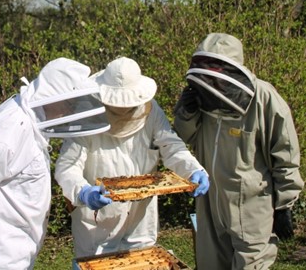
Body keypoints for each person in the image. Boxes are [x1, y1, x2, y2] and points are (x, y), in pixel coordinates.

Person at [0, 58, 110, 270]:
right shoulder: (13, 127)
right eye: (69, 104)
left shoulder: (31, 119)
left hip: (11, 239)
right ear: (53, 95)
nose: (69, 112)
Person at [54, 56, 209, 258]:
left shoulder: (151, 111)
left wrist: (193, 169)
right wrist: (83, 192)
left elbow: (171, 146)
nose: (123, 113)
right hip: (97, 223)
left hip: (140, 220)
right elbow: (67, 167)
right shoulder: (86, 116)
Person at [173, 33, 304, 270]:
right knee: (210, 264)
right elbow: (184, 139)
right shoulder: (201, 95)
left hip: (252, 204)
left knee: (251, 264)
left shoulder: (264, 98)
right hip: (210, 200)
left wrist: (285, 204)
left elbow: (285, 153)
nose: (212, 83)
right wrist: (186, 114)